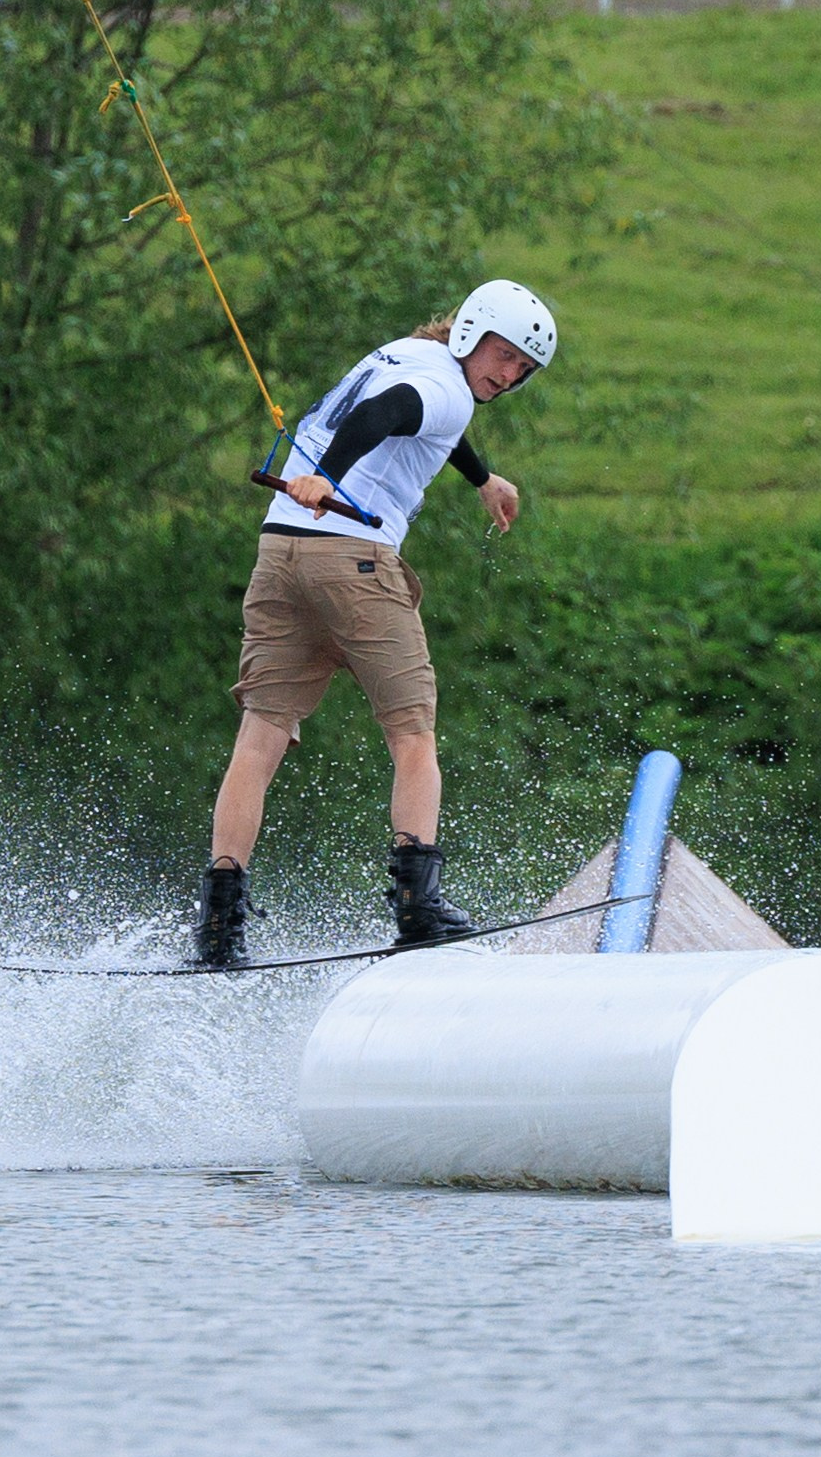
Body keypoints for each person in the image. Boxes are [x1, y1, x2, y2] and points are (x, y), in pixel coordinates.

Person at [196, 279, 558, 969]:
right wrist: (327, 477)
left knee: (260, 737)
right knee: (413, 732)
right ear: (470, 331)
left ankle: (219, 926)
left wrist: (482, 477)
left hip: (279, 554)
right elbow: (392, 415)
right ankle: (419, 909)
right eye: (504, 356)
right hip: (353, 563)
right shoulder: (439, 389)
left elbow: (423, 415)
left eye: (523, 370)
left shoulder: (404, 355)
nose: (509, 376)